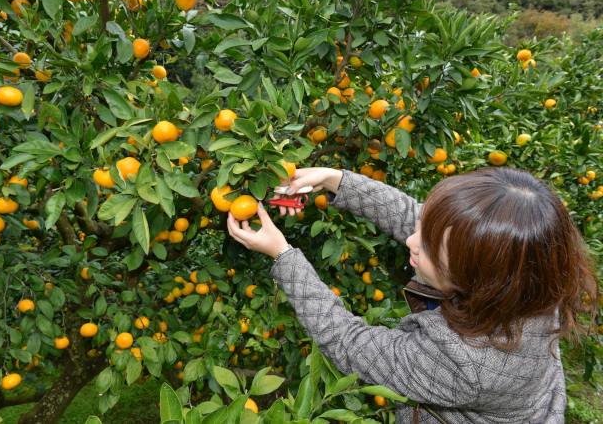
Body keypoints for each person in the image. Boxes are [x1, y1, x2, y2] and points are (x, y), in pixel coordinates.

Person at [227, 167, 598, 423]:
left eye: (432, 249)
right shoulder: (530, 273)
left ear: (482, 279)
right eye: (426, 228)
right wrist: (337, 181)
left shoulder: (467, 364)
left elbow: (347, 343)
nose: (411, 239)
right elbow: (416, 217)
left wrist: (283, 255)